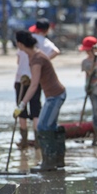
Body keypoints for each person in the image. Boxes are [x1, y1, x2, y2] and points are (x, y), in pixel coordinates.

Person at [13, 30, 67, 172]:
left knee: (43, 127)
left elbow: (34, 85)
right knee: (49, 127)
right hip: (54, 95)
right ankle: (57, 160)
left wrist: (22, 104)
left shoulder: (37, 58)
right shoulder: (34, 56)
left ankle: (48, 162)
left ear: (20, 44)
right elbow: (35, 80)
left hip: (55, 96)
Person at [15, 18, 60, 149]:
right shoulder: (43, 43)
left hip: (21, 79)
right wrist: (46, 60)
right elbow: (56, 51)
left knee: (21, 109)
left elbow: (18, 61)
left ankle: (23, 141)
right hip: (34, 79)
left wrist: (41, 63)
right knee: (36, 109)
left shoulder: (26, 41)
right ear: (47, 30)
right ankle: (37, 141)